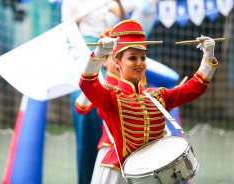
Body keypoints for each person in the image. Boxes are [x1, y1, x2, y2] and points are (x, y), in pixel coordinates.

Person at [79, 19, 218, 183]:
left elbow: (195, 88)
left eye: (143, 57)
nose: (139, 63)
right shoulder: (110, 96)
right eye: (132, 58)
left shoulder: (158, 95)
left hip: (153, 174)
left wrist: (208, 58)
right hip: (118, 173)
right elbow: (87, 84)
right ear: (117, 62)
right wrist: (98, 55)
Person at [61, 1, 125, 183]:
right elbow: (65, 29)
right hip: (85, 49)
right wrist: (75, 20)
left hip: (107, 46)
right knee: (87, 112)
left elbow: (120, 13)